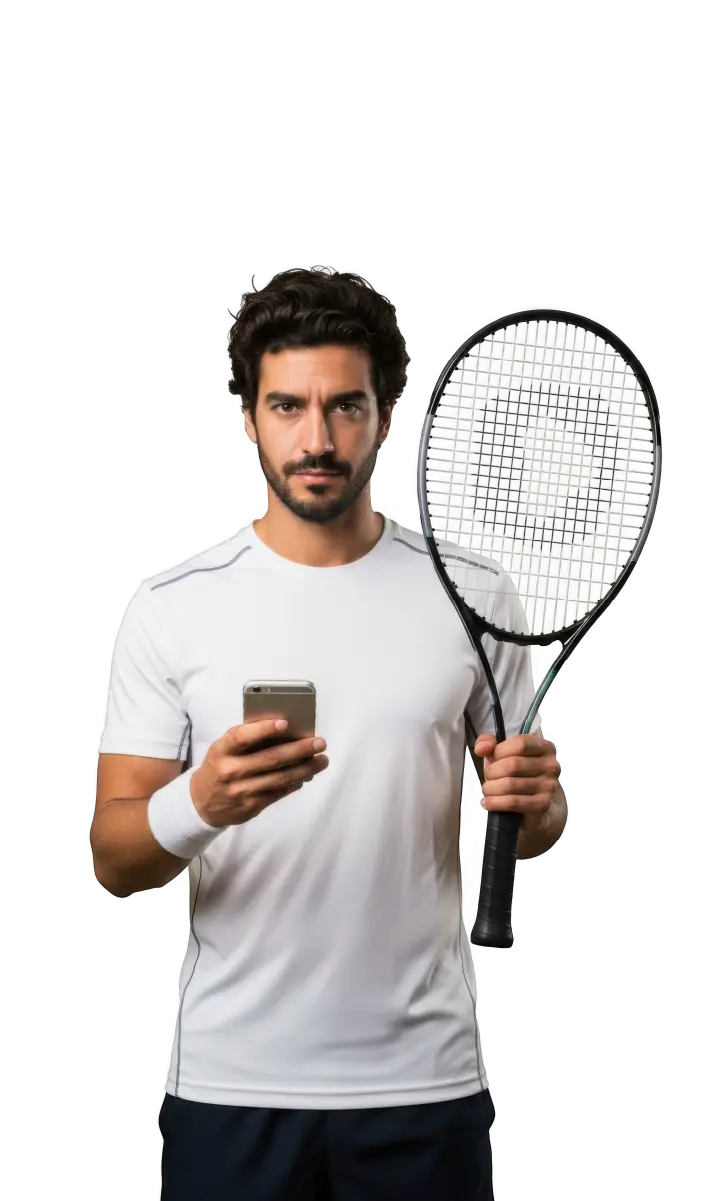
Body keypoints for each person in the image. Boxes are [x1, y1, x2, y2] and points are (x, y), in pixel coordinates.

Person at [91, 265, 568, 1201]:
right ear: (247, 419)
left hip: (425, 1082)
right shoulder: (170, 607)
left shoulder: (474, 595)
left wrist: (541, 803)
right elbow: (114, 857)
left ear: (388, 415)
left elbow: (531, 821)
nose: (317, 439)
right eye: (287, 406)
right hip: (232, 1083)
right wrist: (198, 803)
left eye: (346, 405)